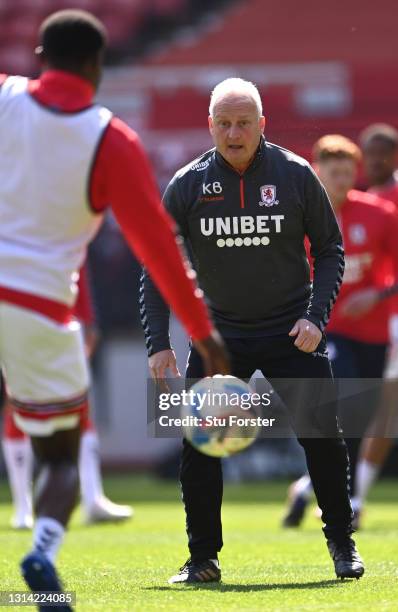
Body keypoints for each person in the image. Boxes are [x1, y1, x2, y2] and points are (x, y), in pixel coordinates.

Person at [0, 9, 228, 607]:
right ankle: (42, 559)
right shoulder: (110, 139)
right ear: (99, 66)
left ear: (40, 58)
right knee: (61, 456)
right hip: (34, 309)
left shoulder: (3, 96)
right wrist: (203, 335)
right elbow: (159, 248)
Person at [141, 79, 364, 584]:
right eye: (224, 123)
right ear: (210, 126)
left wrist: (315, 317)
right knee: (201, 445)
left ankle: (342, 545)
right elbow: (156, 266)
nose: (234, 132)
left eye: (244, 123)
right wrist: (158, 345)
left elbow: (330, 250)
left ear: (262, 124)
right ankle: (202, 560)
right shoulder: (188, 185)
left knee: (323, 440)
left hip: (293, 334)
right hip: (217, 338)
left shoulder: (295, 175)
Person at [282, 135, 398, 529]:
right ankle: (342, 499)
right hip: (326, 331)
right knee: (346, 400)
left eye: (349, 171)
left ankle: (305, 487)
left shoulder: (380, 214)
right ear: (317, 172)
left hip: (374, 331)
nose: (342, 179)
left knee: (362, 414)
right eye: (334, 172)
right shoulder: (298, 217)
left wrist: (377, 295)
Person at [1, 265, 133, 529]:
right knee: (17, 399)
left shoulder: (65, 226)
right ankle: (23, 507)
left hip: (61, 315)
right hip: (16, 312)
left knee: (78, 399)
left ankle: (93, 497)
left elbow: (78, 266)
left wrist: (86, 316)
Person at [349, 124, 398, 527]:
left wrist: (377, 296)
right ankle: (354, 498)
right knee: (386, 410)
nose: (378, 161)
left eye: (385, 153)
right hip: (383, 324)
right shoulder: (361, 203)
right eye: (372, 153)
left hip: (388, 317)